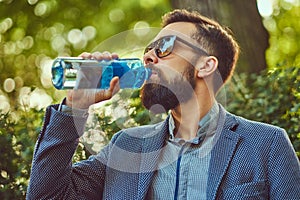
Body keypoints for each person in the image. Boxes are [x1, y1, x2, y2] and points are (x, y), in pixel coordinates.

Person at [26, 9, 300, 199]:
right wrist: (76, 106)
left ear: (206, 64)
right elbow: (47, 196)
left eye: (164, 47)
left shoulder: (267, 144)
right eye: (148, 51)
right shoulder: (125, 146)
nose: (149, 58)